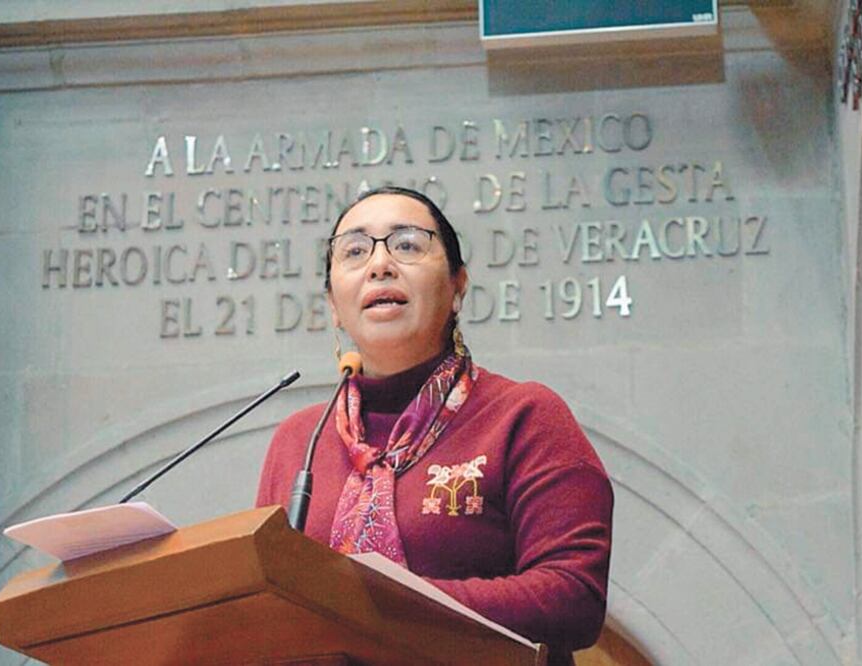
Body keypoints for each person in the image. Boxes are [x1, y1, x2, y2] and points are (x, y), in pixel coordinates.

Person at [256, 186, 613, 665]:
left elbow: (573, 598)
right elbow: (261, 603)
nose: (379, 265)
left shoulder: (522, 415)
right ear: (333, 306)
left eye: (406, 244)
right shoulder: (299, 440)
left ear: (458, 285)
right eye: (355, 251)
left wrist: (380, 599)